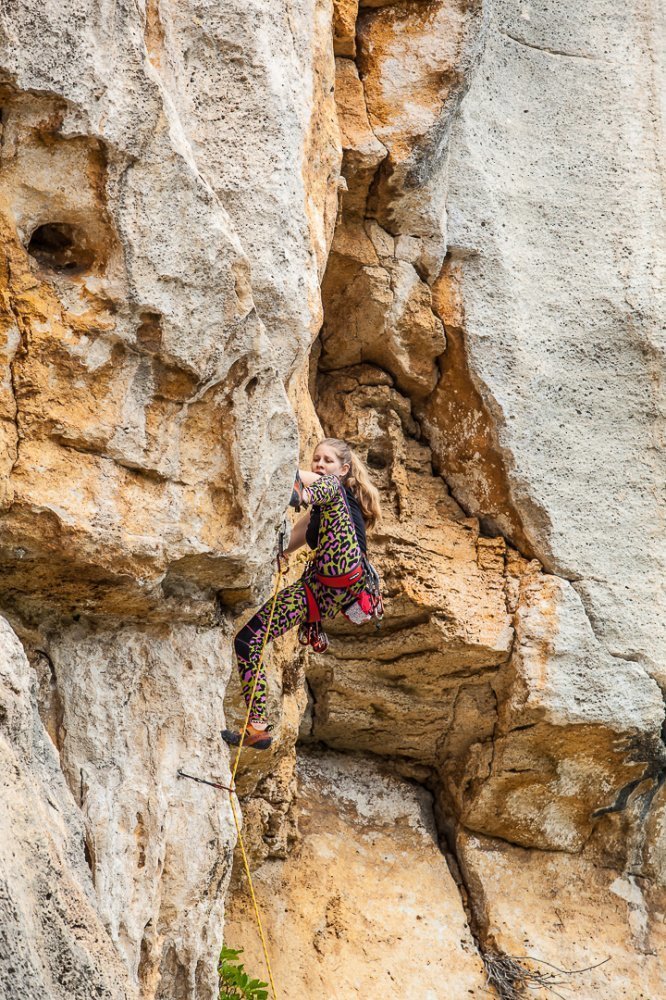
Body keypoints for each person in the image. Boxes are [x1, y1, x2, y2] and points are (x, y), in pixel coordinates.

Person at [221, 438, 382, 750]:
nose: (320, 464)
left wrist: (298, 490)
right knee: (248, 639)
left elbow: (314, 485)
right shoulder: (323, 504)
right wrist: (280, 552)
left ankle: (299, 490)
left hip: (347, 575)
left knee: (328, 487)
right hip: (321, 589)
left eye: (328, 460)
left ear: (344, 469)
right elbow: (297, 536)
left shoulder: (336, 490)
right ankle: (257, 727)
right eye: (316, 459)